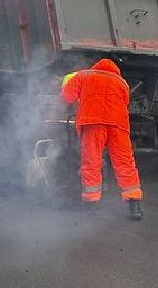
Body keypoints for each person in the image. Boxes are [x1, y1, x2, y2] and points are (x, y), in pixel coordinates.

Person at [60, 58, 143, 220]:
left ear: (96, 67)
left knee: (92, 162)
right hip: (118, 125)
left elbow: (66, 96)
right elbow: (124, 102)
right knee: (125, 163)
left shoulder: (84, 76)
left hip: (92, 122)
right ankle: (135, 205)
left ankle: (92, 204)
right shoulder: (122, 82)